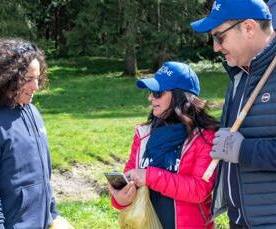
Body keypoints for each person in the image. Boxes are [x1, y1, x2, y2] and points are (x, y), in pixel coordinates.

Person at [0, 38, 73, 229]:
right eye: (28, 79)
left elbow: (42, 175)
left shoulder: (33, 112)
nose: (36, 87)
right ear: (6, 78)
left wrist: (52, 215)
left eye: (37, 78)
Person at [191, 0, 276, 228]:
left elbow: (238, 149)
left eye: (220, 37)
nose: (216, 47)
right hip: (240, 221)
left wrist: (242, 150)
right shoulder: (239, 77)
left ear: (248, 28)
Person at [109, 61, 219, 228]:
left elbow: (199, 189)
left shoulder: (205, 137)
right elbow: (130, 178)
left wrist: (149, 176)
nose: (150, 97)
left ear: (179, 96)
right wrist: (120, 198)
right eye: (151, 92)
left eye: (157, 93)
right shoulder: (143, 134)